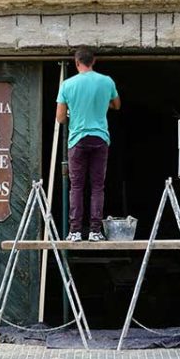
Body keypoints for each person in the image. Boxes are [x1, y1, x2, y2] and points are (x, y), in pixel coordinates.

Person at [56, 46, 121, 242]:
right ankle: (95, 231)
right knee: (97, 186)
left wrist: (71, 112)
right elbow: (117, 105)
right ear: (94, 61)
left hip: (77, 139)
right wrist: (102, 105)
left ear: (77, 63)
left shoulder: (67, 84)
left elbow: (60, 118)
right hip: (100, 139)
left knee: (76, 186)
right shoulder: (107, 81)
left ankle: (75, 231)